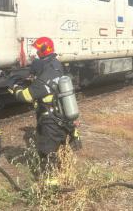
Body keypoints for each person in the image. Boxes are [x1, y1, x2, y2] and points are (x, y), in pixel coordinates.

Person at [9, 37, 80, 185]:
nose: (35, 53)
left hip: (50, 121)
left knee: (47, 153)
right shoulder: (55, 64)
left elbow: (26, 96)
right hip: (60, 117)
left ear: (43, 50)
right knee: (61, 148)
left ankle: (51, 187)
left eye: (37, 50)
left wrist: (14, 87)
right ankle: (64, 175)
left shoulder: (47, 73)